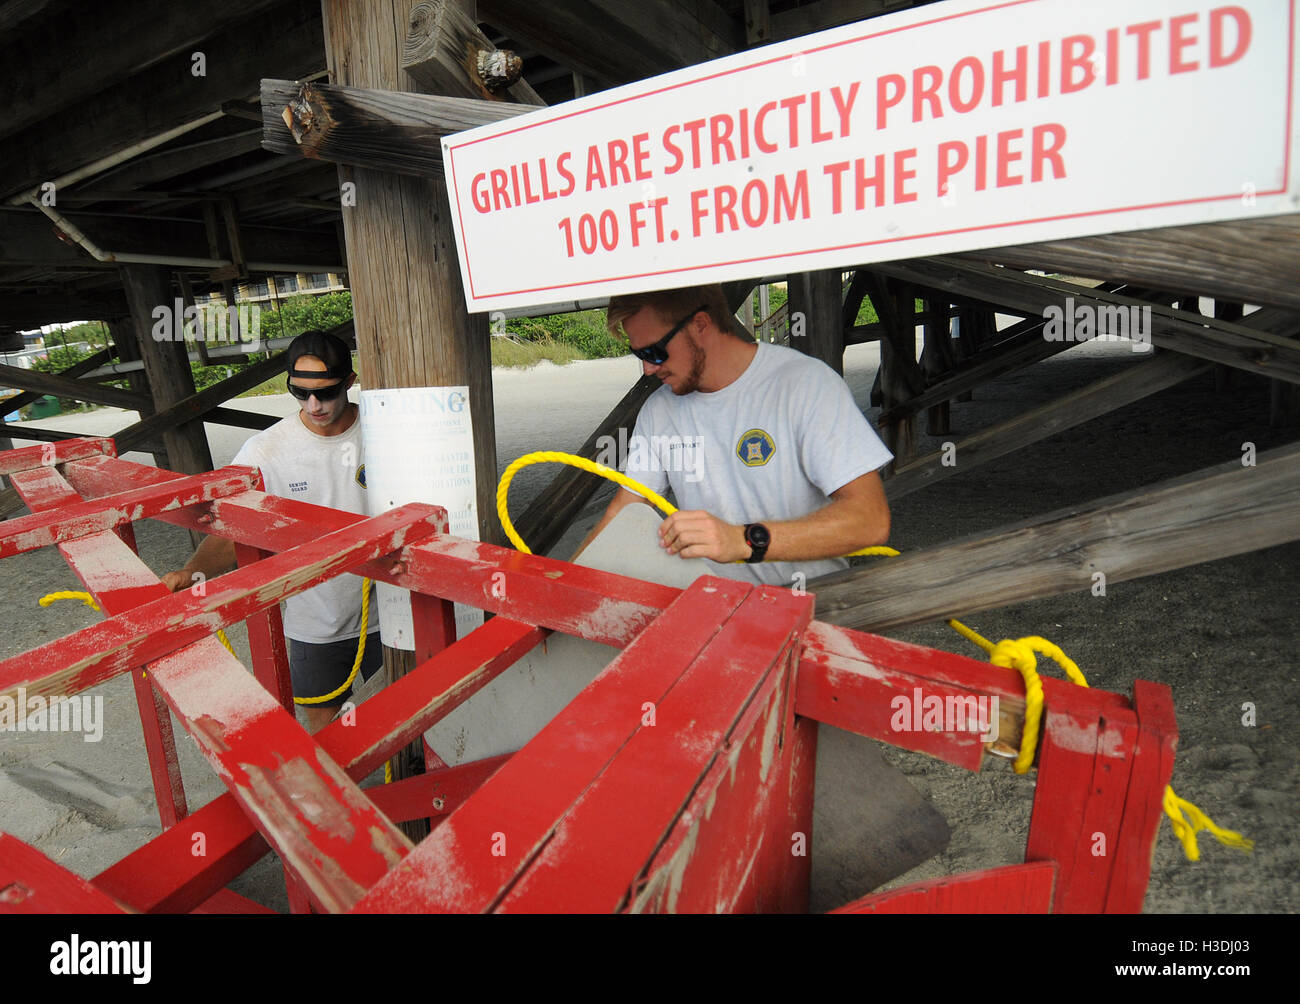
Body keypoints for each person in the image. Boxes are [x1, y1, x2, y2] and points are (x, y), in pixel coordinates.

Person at [576, 283, 892, 588]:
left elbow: (870, 518)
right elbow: (623, 511)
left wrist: (742, 541)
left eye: (655, 352)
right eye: (638, 354)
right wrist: (559, 583)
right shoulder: (659, 410)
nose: (647, 369)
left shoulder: (805, 384)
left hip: (810, 605)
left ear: (700, 324)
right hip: (715, 609)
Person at [162, 329, 381, 732]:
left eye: (327, 392)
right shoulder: (265, 452)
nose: (314, 405)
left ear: (350, 382)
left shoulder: (385, 430)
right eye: (300, 393)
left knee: (410, 718)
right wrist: (192, 572)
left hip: (390, 610)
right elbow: (235, 529)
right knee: (326, 731)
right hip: (316, 619)